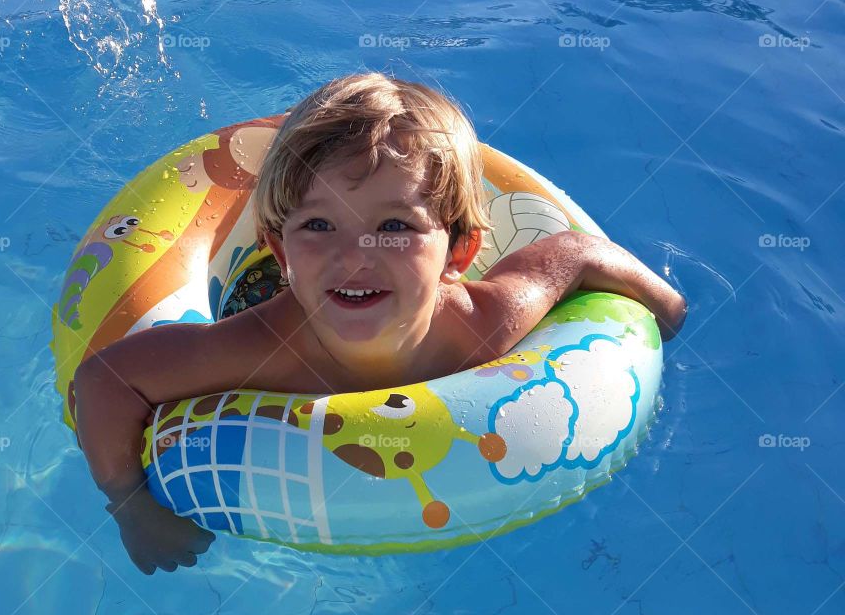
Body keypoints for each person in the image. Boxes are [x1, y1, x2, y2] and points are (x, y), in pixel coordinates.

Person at [73, 73, 687, 575]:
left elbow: (573, 253)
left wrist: (664, 310)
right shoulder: (257, 349)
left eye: (394, 226)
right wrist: (130, 505)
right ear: (280, 252)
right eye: (318, 225)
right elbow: (106, 380)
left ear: (459, 252)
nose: (354, 256)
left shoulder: (485, 325)